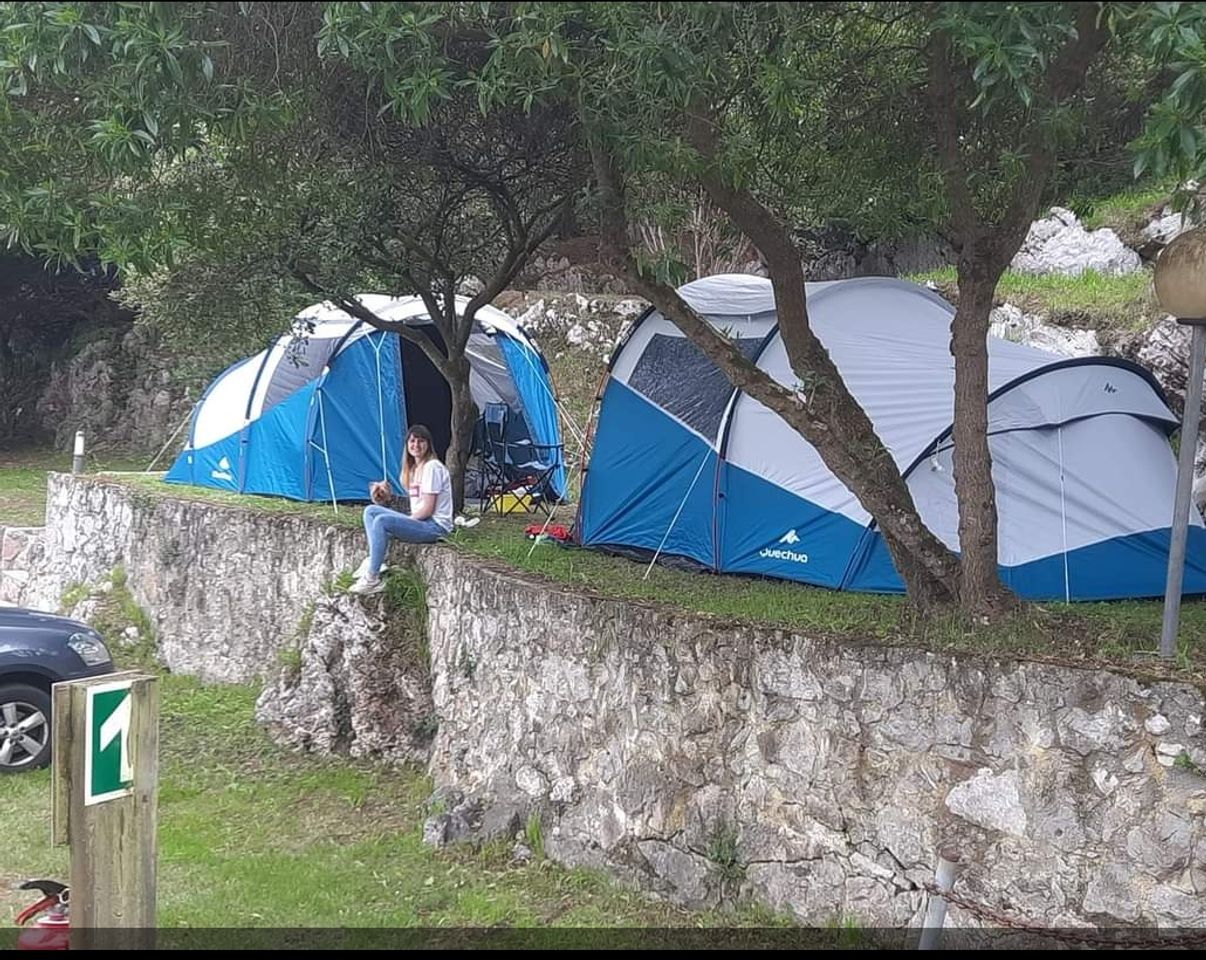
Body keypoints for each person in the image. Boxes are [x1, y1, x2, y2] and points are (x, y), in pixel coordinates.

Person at [349, 425, 453, 595]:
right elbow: (414, 506)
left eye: (421, 441)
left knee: (382, 521)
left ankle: (372, 578)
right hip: (423, 521)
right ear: (407, 445)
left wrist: (406, 521)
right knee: (371, 511)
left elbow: (427, 509)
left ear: (428, 444)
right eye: (412, 441)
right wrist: (387, 499)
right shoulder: (413, 470)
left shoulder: (432, 467)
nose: (416, 445)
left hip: (435, 526)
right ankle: (374, 560)